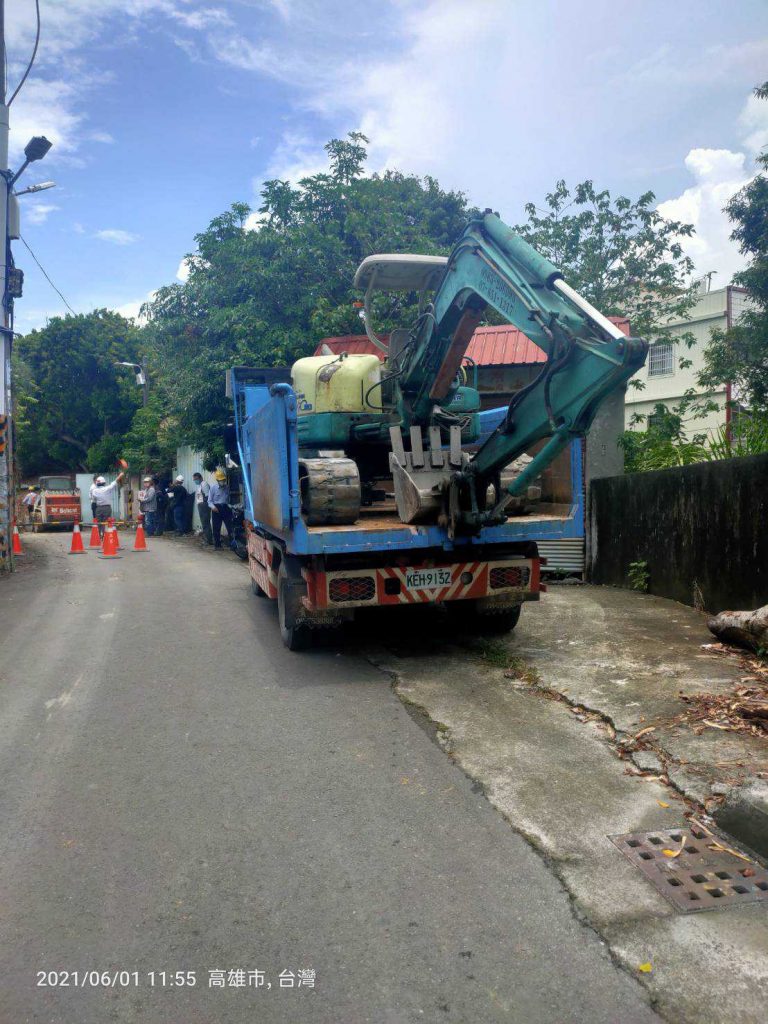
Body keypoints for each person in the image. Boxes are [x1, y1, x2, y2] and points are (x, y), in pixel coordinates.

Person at [208, 470, 233, 550]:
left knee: (230, 527)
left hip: (225, 508)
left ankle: (233, 545)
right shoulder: (213, 488)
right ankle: (218, 546)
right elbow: (209, 501)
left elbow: (228, 499)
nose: (222, 482)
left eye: (223, 480)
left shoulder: (227, 487)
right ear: (217, 480)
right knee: (216, 528)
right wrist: (213, 507)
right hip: (216, 509)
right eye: (221, 480)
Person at [193, 472, 212, 545]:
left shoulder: (204, 484)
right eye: (194, 479)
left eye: (196, 479)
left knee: (205, 523)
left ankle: (208, 540)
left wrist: (204, 504)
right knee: (204, 523)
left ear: (200, 478)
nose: (195, 481)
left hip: (204, 506)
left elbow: (207, 496)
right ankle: (207, 539)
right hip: (201, 506)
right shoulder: (200, 485)